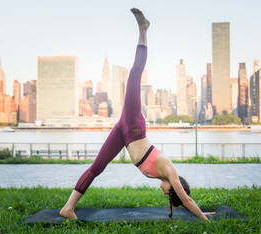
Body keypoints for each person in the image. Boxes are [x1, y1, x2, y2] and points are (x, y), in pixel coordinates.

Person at [60, 8, 215, 222]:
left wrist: (198, 213)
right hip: (133, 127)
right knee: (134, 75)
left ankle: (68, 207)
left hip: (124, 135)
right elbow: (186, 199)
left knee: (97, 167)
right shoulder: (169, 170)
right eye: (169, 193)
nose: (164, 193)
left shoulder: (165, 177)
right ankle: (143, 30)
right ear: (174, 187)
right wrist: (205, 221)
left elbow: (183, 201)